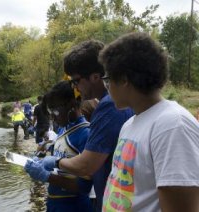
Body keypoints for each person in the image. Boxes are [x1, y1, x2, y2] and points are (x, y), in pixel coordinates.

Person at [99, 32, 199, 211]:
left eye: (108, 80)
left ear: (123, 79)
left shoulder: (172, 125)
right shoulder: (129, 125)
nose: (107, 89)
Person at [36, 40, 134, 212]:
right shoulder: (115, 103)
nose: (74, 88)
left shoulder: (109, 105)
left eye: (76, 81)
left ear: (95, 77)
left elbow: (86, 166)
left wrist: (55, 162)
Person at [25, 81, 93, 212]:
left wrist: (46, 176)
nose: (51, 117)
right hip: (54, 202)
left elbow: (84, 187)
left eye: (54, 111)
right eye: (50, 111)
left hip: (74, 206)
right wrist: (41, 161)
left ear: (72, 105)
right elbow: (60, 164)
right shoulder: (63, 129)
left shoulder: (85, 133)